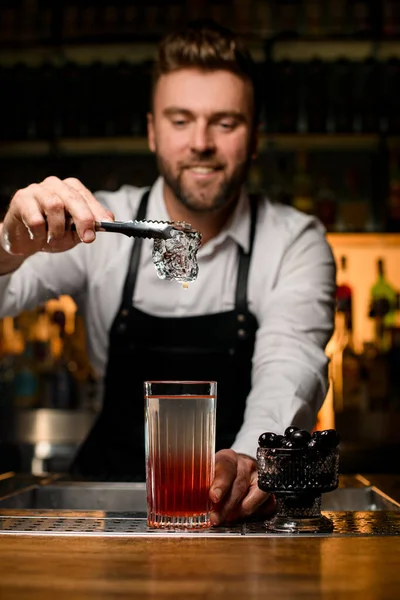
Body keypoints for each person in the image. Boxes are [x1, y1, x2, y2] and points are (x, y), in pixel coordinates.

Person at [0, 20, 335, 525]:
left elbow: (292, 364)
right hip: (107, 513)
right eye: (181, 121)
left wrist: (249, 461)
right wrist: (8, 246)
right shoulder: (97, 223)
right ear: (153, 132)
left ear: (256, 136)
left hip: (233, 514)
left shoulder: (293, 241)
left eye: (225, 122)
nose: (201, 142)